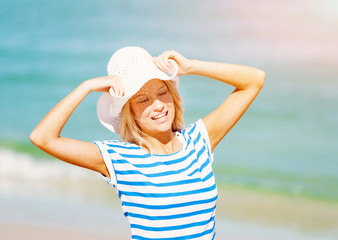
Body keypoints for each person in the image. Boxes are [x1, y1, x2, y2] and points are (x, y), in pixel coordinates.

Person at [30, 46, 265, 239]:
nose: (158, 105)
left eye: (163, 92)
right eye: (142, 100)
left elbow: (254, 80)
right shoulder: (118, 159)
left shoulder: (199, 141)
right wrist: (86, 87)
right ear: (129, 113)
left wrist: (191, 66)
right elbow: (42, 138)